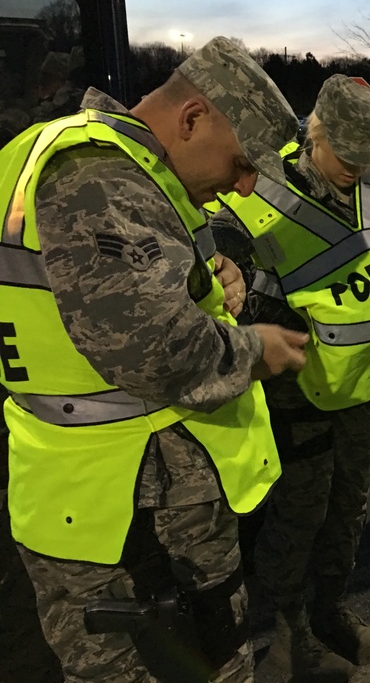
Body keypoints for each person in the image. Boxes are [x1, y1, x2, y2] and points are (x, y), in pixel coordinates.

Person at [0, 36, 307, 682]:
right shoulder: (99, 180)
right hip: (129, 505)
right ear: (192, 118)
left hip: (87, 486)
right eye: (243, 162)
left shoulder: (81, 159)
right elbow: (158, 351)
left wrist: (209, 276)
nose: (245, 185)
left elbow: (94, 295)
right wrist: (258, 348)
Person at [211, 74, 370, 679]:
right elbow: (224, 267)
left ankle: (329, 609)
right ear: (316, 133)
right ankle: (289, 632)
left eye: (368, 155)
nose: (356, 167)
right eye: (346, 153)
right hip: (294, 393)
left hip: (363, 388)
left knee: (350, 506)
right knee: (296, 516)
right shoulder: (263, 192)